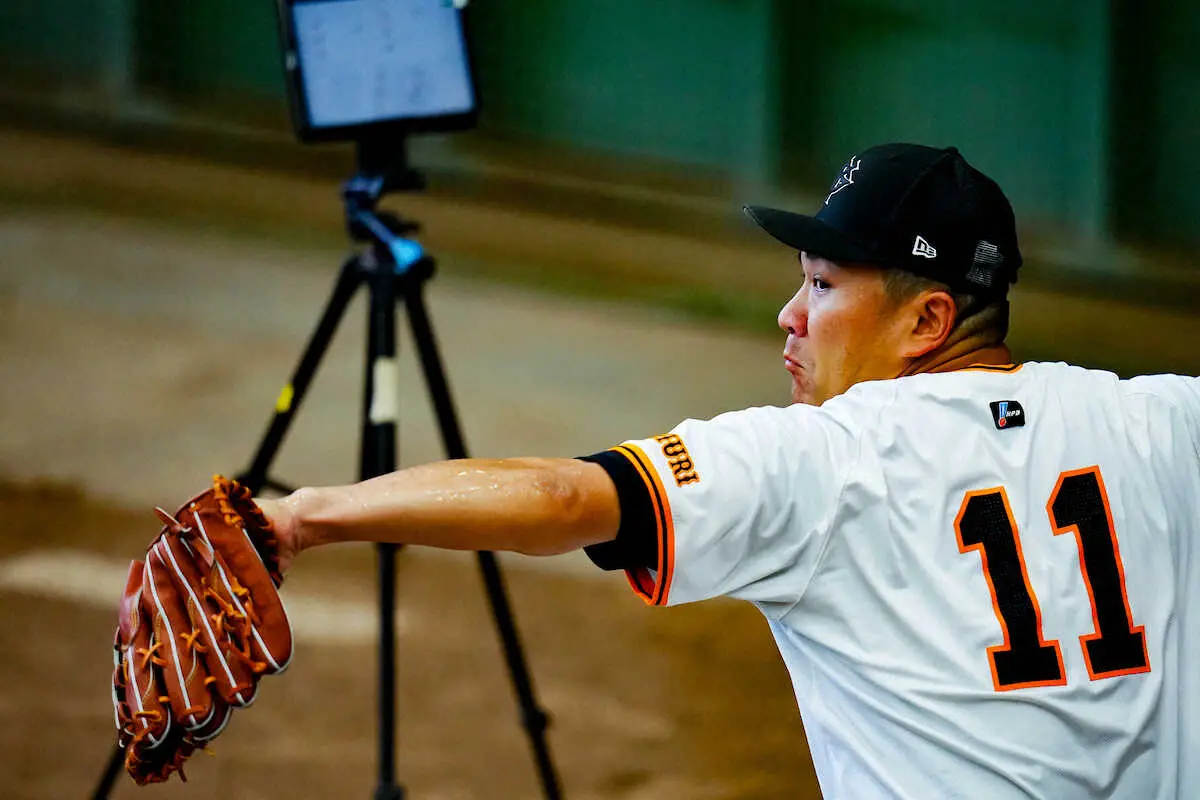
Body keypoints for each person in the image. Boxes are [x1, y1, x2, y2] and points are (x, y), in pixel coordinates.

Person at [258, 144, 1200, 799]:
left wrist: (302, 516)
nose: (791, 315)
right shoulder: (1158, 421)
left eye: (823, 285)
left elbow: (562, 497)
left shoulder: (826, 460)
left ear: (928, 321)